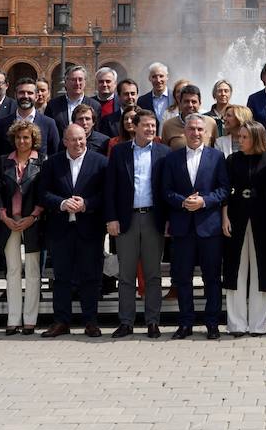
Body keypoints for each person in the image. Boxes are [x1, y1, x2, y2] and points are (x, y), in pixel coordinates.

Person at [162, 114, 229, 339]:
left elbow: (224, 189)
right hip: (182, 228)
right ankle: (185, 323)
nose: (196, 133)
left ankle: (212, 324)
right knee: (183, 278)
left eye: (200, 129)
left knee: (212, 278)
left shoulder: (217, 157)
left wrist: (204, 201)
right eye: (191, 129)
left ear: (206, 133)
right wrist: (182, 201)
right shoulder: (172, 158)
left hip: (209, 227)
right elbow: (165, 190)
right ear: (185, 131)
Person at [39, 123, 107, 338]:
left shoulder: (101, 162)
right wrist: (62, 203)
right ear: (65, 142)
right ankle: (61, 321)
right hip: (60, 229)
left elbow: (106, 194)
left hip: (90, 228)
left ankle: (91, 322)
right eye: (73, 139)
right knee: (61, 277)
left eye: (81, 139)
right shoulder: (52, 163)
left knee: (91, 276)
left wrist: (86, 204)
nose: (78, 143)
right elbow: (43, 193)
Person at [107, 109, 170, 339]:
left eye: (153, 125)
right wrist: (111, 218)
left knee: (153, 274)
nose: (151, 129)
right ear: (134, 126)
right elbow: (110, 187)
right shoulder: (120, 151)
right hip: (127, 219)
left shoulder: (164, 152)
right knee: (126, 274)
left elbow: (167, 188)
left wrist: (168, 220)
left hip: (154, 218)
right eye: (146, 125)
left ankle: (153, 322)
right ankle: (126, 322)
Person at [222, 120, 266, 337]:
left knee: (261, 270)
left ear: (256, 138)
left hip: (262, 220)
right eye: (240, 136)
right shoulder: (232, 160)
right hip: (236, 218)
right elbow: (225, 190)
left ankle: (258, 324)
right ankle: (236, 324)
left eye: (245, 137)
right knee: (235, 269)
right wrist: (225, 217)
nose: (240, 140)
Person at [0, 119, 45, 335]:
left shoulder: (42, 161)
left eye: (26, 137)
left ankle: (30, 320)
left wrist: (33, 216)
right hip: (9, 222)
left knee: (33, 270)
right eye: (18, 137)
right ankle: (13, 318)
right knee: (13, 270)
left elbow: (44, 192)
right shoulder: (3, 161)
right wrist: (3, 216)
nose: (22, 141)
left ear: (33, 140)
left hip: (32, 222)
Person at [0, 77, 60, 159]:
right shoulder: (3, 124)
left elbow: (55, 155)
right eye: (21, 92)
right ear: (15, 95)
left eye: (30, 93)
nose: (25, 96)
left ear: (36, 96)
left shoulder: (49, 124)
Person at [160, 85, 217, 150]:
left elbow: (215, 149)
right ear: (180, 103)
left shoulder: (211, 123)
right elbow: (164, 151)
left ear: (200, 103)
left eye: (194, 102)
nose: (190, 105)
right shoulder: (169, 125)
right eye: (186, 101)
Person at [45, 64, 91, 138]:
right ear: (65, 82)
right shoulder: (53, 105)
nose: (77, 83)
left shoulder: (94, 105)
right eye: (73, 80)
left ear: (85, 82)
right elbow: (48, 131)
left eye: (80, 79)